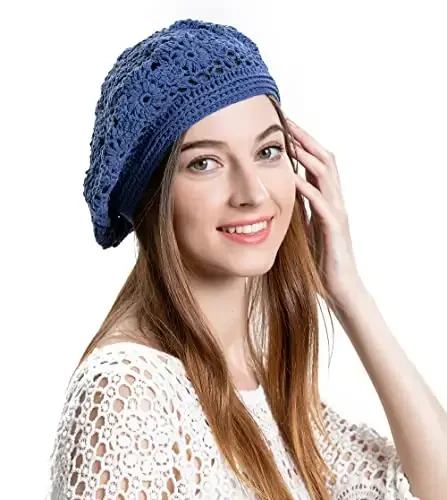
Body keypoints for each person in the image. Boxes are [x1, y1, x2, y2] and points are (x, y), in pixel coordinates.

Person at [46, 19, 426, 499]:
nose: (253, 192)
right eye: (205, 163)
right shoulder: (126, 397)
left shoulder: (259, 386)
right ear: (150, 195)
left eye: (268, 151)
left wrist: (348, 291)